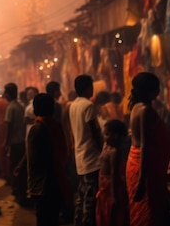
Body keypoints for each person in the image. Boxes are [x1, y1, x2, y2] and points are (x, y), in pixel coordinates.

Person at [125, 72, 170, 226]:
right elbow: (145, 146)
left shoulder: (136, 106)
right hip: (144, 167)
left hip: (137, 163)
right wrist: (142, 181)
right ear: (153, 91)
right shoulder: (145, 110)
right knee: (149, 213)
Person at [26, 93, 70, 226]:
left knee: (44, 220)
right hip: (57, 180)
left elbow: (34, 160)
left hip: (42, 185)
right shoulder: (56, 125)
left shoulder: (37, 129)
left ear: (35, 110)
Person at [69, 74, 103, 226]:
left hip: (80, 156)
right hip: (91, 157)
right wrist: (103, 151)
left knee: (82, 195)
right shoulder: (88, 106)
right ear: (88, 88)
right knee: (91, 199)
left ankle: (78, 221)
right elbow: (94, 131)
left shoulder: (73, 105)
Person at [96, 119, 129, 226]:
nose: (104, 137)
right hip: (103, 187)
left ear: (115, 136)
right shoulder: (106, 145)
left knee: (111, 216)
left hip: (111, 188)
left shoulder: (115, 152)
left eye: (106, 134)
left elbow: (114, 175)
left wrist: (114, 197)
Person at [4, 82, 27, 205]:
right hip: (22, 142)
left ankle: (18, 192)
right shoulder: (21, 106)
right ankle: (21, 192)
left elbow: (9, 126)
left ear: (7, 94)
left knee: (14, 168)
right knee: (21, 169)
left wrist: (6, 142)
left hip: (14, 142)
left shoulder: (11, 107)